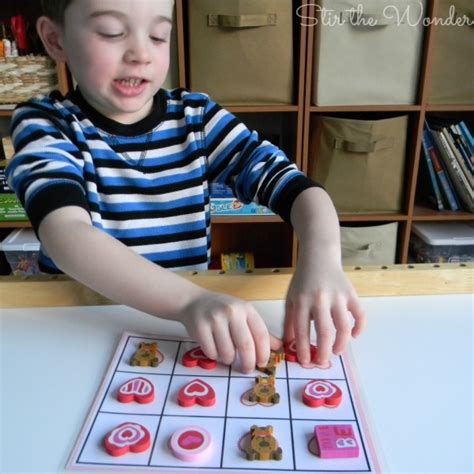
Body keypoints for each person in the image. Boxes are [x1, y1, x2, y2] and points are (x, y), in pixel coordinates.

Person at [6, 0, 366, 373]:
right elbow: (65, 233)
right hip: (82, 328)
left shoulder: (197, 118)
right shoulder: (44, 123)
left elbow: (297, 188)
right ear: (55, 39)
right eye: (112, 32)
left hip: (183, 334)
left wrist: (322, 260)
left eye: (159, 35)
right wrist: (188, 302)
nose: (141, 54)